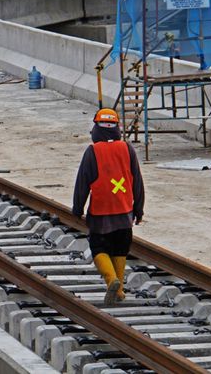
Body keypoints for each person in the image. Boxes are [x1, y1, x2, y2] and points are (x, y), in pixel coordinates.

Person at [73, 108, 144, 305]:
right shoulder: (128, 149)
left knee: (99, 247)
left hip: (100, 213)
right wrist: (139, 209)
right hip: (124, 213)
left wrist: (77, 209)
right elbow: (137, 181)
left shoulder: (92, 152)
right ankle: (119, 290)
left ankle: (111, 280)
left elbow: (82, 183)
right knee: (120, 249)